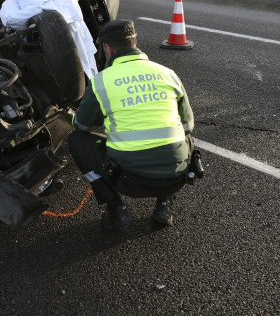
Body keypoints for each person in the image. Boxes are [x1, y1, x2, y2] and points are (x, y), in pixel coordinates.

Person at [68, 19, 196, 230]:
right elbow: (188, 125)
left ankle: (116, 208)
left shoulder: (101, 81)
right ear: (135, 42)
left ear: (107, 48)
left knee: (76, 141)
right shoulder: (168, 73)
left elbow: (81, 126)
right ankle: (164, 205)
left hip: (127, 180)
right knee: (183, 137)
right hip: (175, 175)